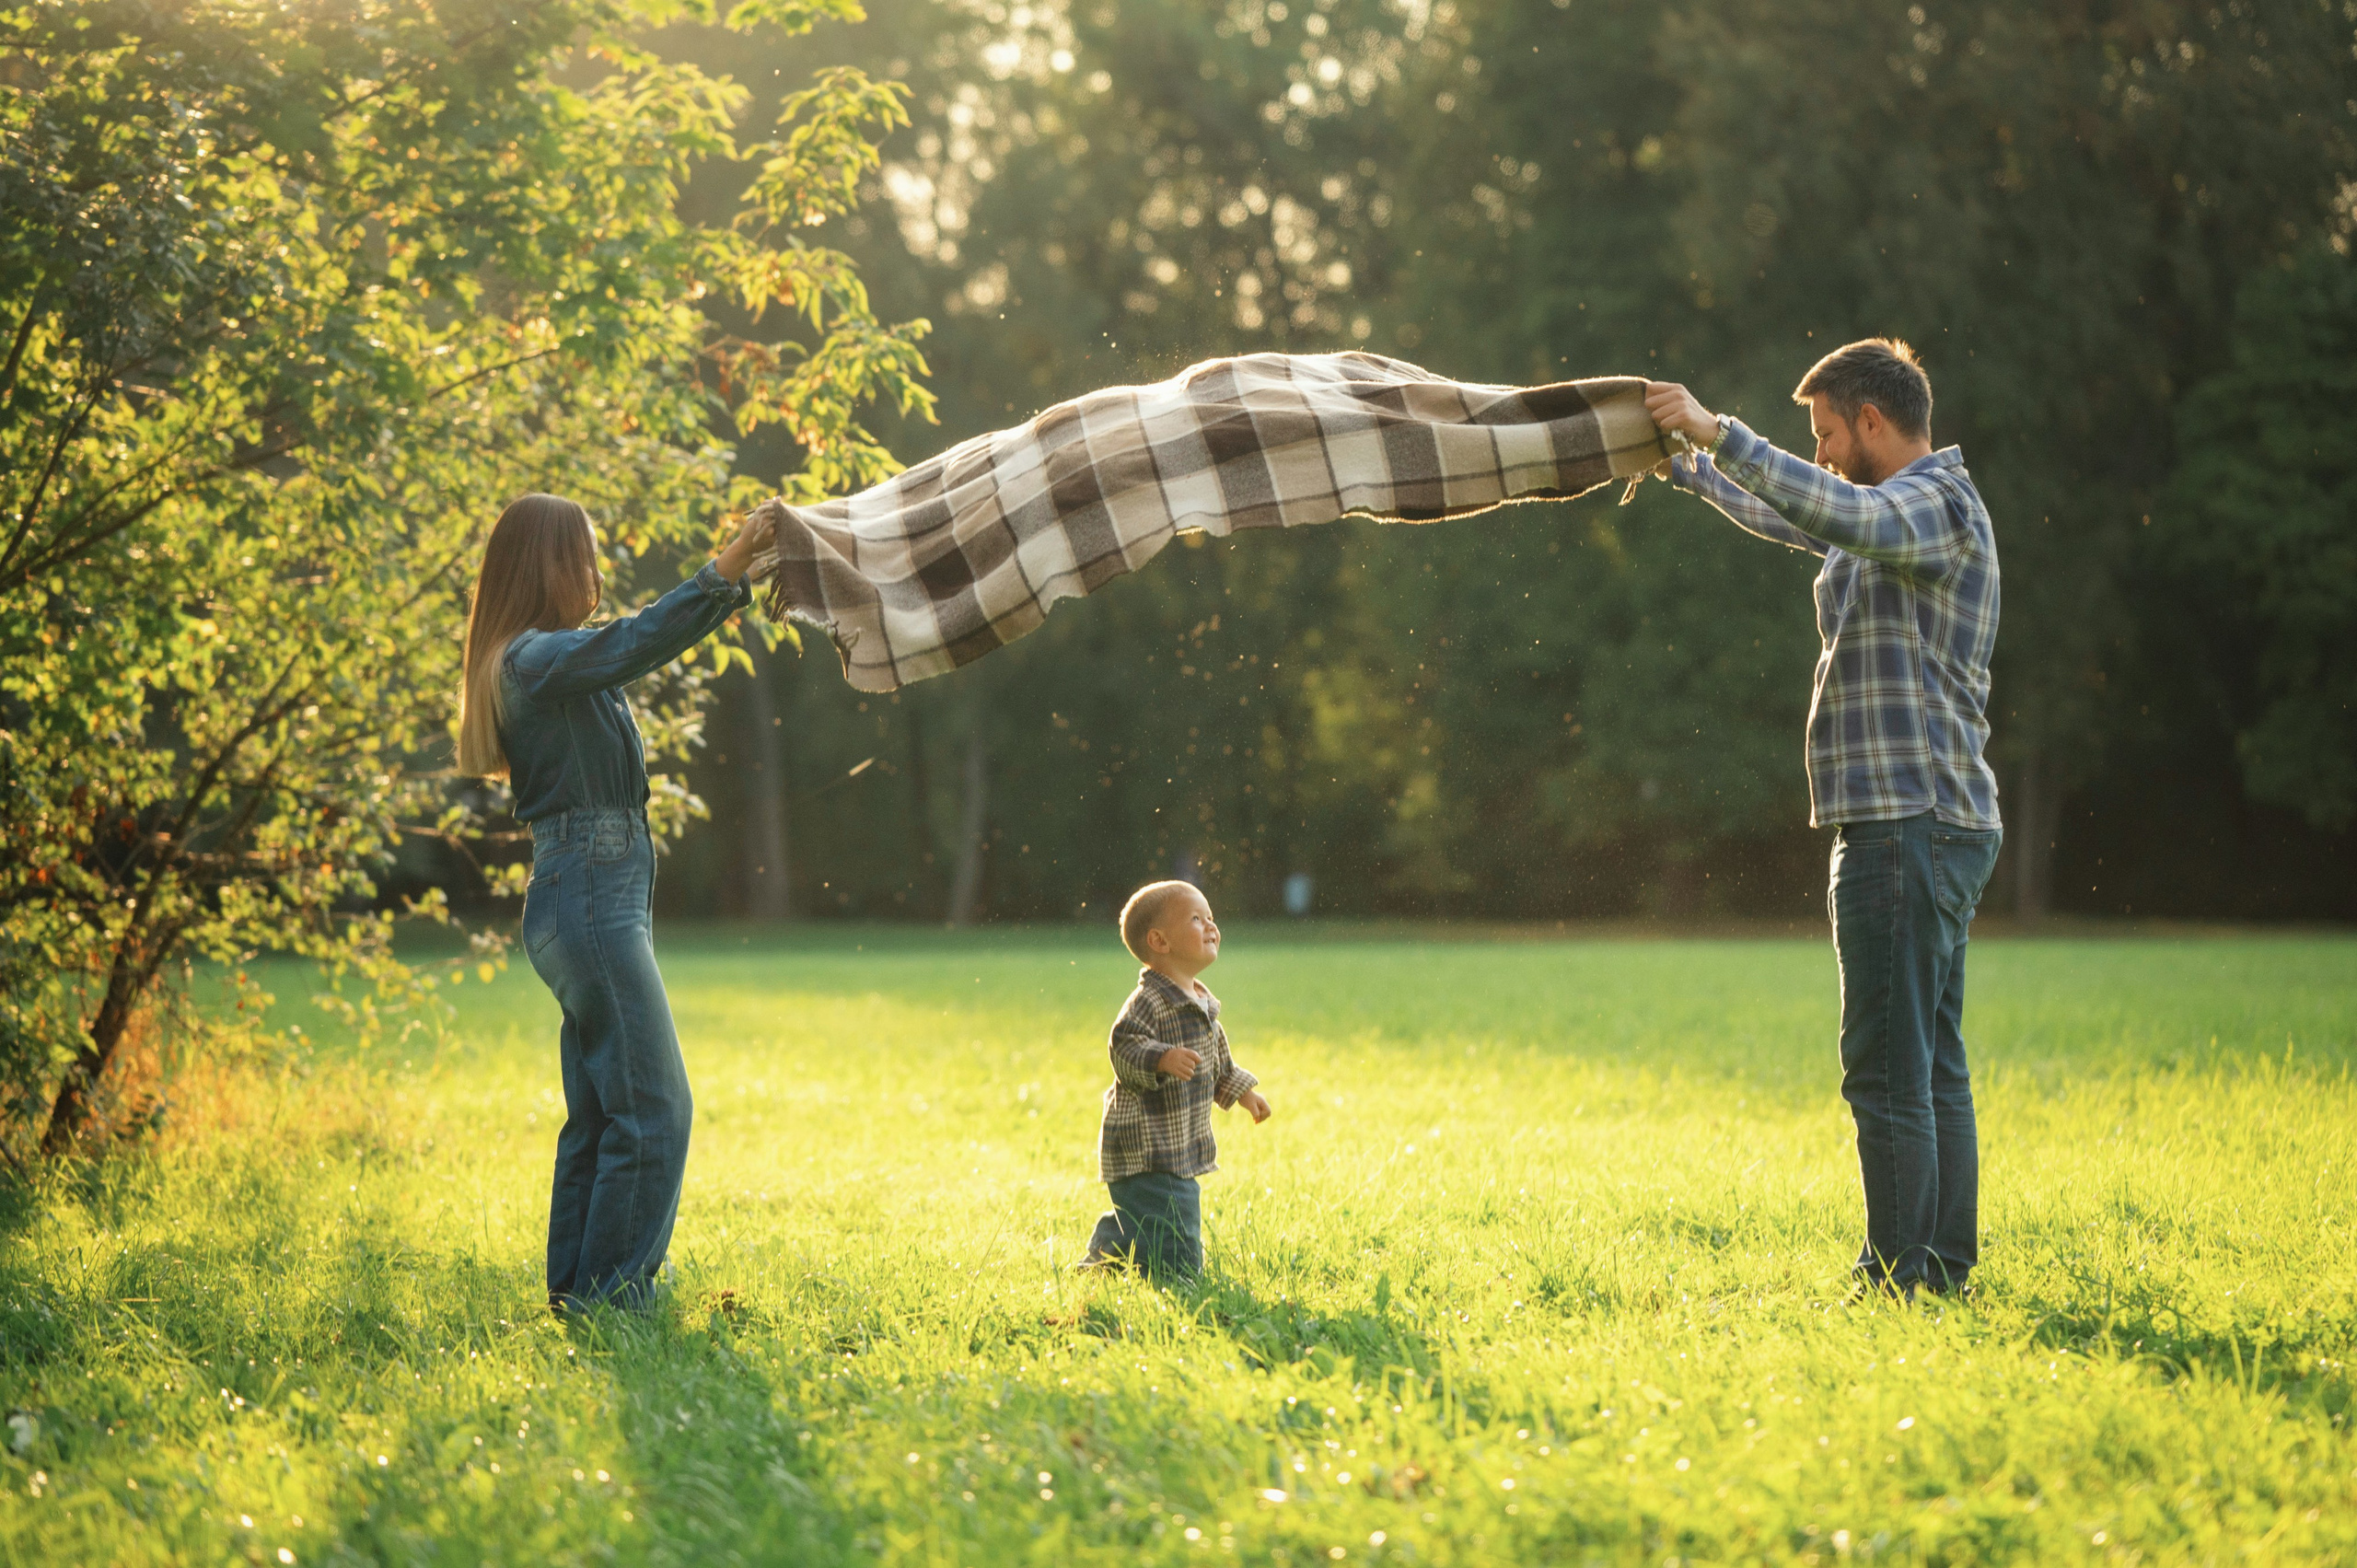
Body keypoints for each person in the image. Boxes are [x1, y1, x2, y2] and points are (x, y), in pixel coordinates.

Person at [1643, 340, 2001, 1300]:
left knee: (1885, 1071)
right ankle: (1940, 1269)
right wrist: (1686, 468)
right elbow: (1799, 512)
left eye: (1828, 434)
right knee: (1928, 1063)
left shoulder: (1931, 505)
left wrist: (1722, 431)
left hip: (1908, 819)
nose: (1824, 454)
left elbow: (1837, 507)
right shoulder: (1891, 516)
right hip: (1923, 819)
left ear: (1872, 421)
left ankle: (1899, 1279)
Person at [456, 493, 779, 1312]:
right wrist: (727, 569)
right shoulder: (533, 660)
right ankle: (615, 1297)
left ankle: (579, 1290)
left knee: (603, 1113)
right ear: (546, 567)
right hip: (589, 898)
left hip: (584, 897)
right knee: (657, 1108)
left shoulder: (545, 661)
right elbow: (634, 641)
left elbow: (620, 646)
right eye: (583, 557)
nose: (595, 574)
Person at [1079, 880, 1272, 1282]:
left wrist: (1244, 1093)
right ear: (1160, 941)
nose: (1211, 926)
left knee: (1150, 1213)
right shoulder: (1148, 1002)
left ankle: (1111, 1247)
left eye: (1211, 917)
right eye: (1197, 919)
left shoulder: (1201, 1001)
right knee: (1176, 1235)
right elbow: (1123, 1046)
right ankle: (1175, 1275)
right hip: (1146, 1144)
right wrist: (1162, 1058)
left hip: (1178, 1140)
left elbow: (1218, 1060)